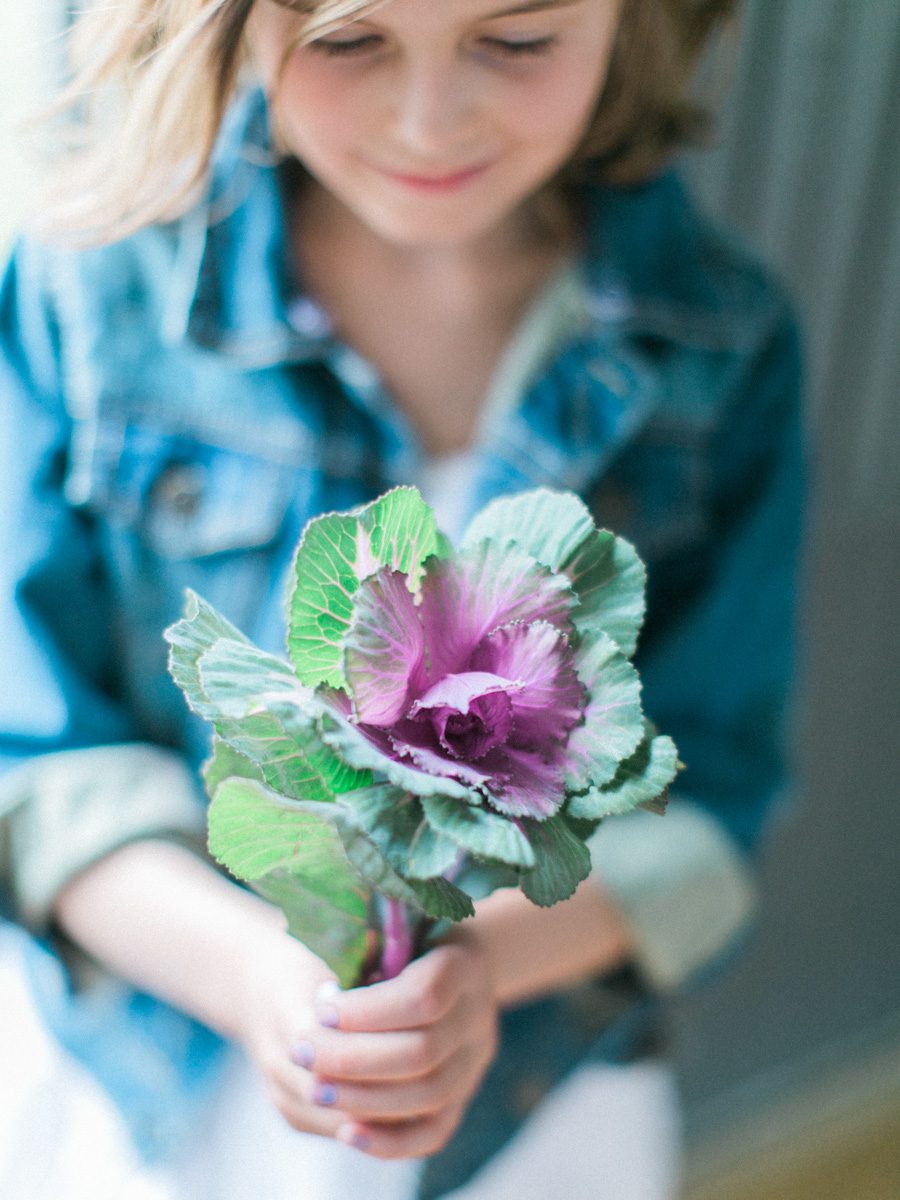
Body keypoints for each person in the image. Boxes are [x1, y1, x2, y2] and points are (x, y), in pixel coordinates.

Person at [0, 0, 805, 1196]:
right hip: (162, 1081)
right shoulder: (85, 292)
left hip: (535, 1097)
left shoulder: (727, 347)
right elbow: (38, 768)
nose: (430, 123)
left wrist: (473, 972)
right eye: (345, 40)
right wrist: (267, 980)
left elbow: (711, 806)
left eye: (519, 41)